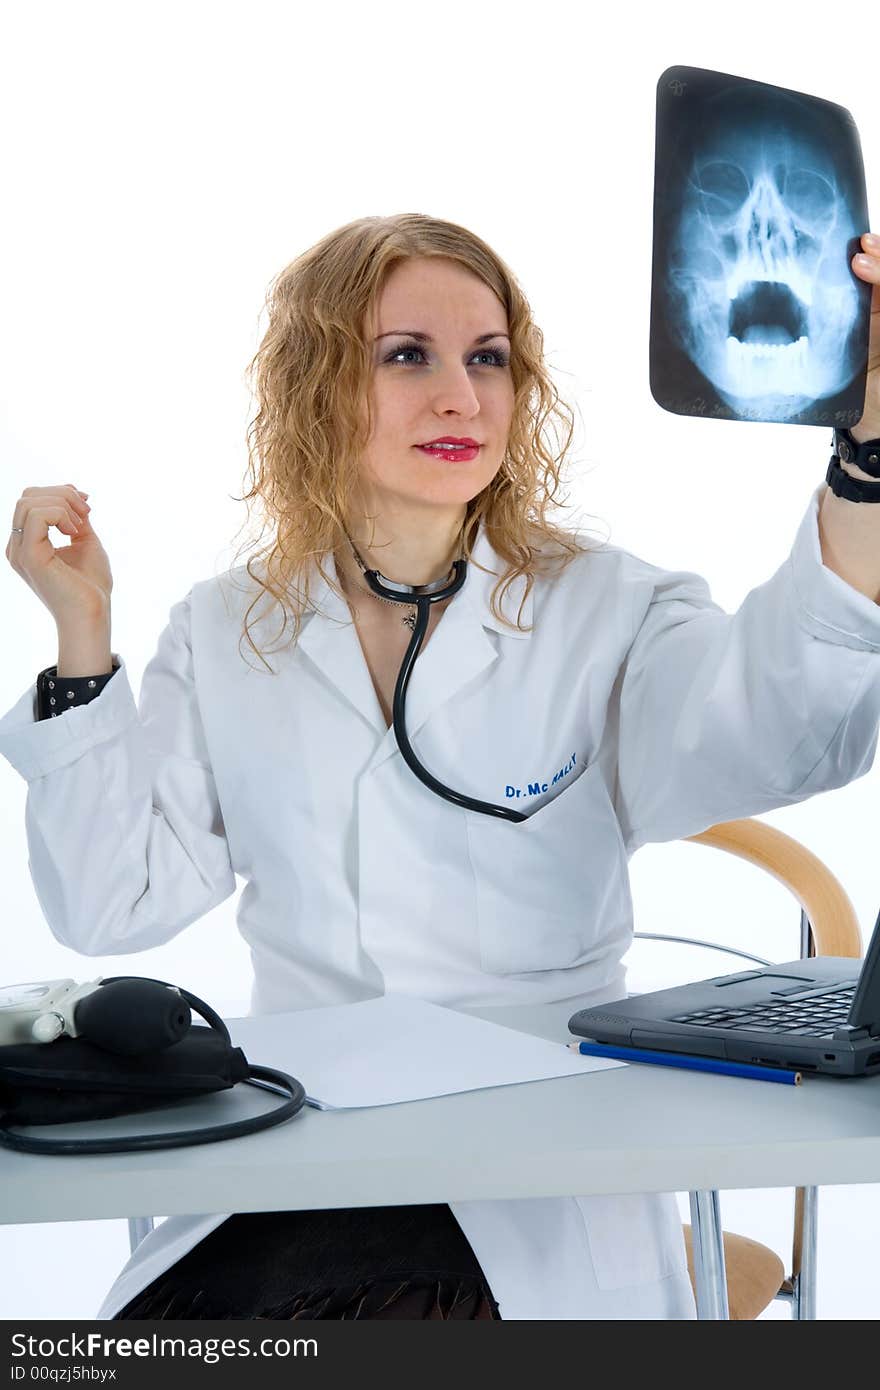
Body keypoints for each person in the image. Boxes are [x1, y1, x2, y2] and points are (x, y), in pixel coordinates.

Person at [3, 213, 880, 1322]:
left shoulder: (605, 606)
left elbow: (776, 723)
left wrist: (868, 455)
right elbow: (109, 902)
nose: (460, 396)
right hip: (291, 1156)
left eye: (488, 358)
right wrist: (84, 639)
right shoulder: (228, 628)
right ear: (317, 387)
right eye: (405, 354)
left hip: (536, 1166)